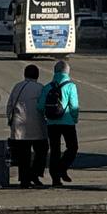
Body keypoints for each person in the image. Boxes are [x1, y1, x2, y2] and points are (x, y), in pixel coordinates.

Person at [38, 59, 80, 187]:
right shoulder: (71, 86)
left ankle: (55, 178)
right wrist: (74, 118)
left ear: (55, 72)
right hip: (67, 122)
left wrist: (46, 115)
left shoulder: (47, 87)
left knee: (55, 150)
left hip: (51, 123)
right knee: (72, 147)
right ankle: (62, 167)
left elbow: (40, 106)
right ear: (67, 72)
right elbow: (74, 106)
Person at [6, 64, 48, 188]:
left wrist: (10, 120)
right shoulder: (40, 88)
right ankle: (35, 174)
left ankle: (24, 179)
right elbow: (44, 106)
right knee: (42, 150)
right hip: (37, 126)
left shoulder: (17, 87)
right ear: (37, 75)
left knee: (23, 155)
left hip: (19, 126)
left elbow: (10, 105)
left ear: (25, 74)